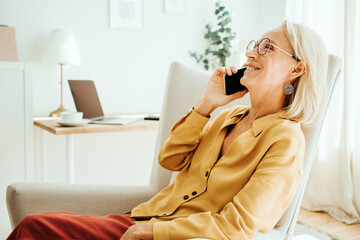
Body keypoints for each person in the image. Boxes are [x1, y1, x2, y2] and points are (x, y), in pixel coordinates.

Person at [7, 19, 328, 240]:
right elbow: (170, 159)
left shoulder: (285, 140)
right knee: (37, 226)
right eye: (254, 45)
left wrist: (154, 232)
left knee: (34, 227)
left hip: (169, 233)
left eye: (267, 47)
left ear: (297, 69)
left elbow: (241, 225)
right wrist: (207, 103)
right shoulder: (225, 118)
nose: (251, 53)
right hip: (141, 220)